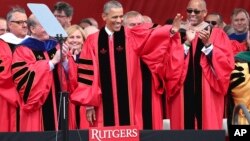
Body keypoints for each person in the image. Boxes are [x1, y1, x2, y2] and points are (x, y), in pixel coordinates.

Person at [70, 0, 184, 129]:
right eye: (115, 17)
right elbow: (87, 73)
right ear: (104, 17)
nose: (119, 20)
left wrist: (172, 30)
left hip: (130, 104)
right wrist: (89, 103)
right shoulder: (93, 41)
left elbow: (152, 36)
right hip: (103, 105)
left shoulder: (132, 36)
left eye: (120, 16)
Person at [167, 0, 234, 130]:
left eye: (196, 11)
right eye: (189, 10)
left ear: (204, 13)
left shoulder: (216, 34)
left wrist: (208, 45)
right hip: (181, 94)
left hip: (208, 95)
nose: (192, 14)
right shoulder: (179, 33)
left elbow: (226, 66)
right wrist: (186, 44)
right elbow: (169, 64)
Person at [11, 14, 73, 131]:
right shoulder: (23, 49)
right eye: (44, 26)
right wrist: (52, 62)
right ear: (32, 29)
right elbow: (23, 80)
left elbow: (72, 76)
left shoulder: (56, 45)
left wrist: (65, 61)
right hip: (39, 108)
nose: (48, 29)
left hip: (61, 104)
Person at [0, 7, 29, 132]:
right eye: (20, 22)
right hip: (8, 98)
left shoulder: (32, 43)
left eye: (26, 22)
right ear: (10, 25)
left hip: (30, 99)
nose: (24, 25)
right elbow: (2, 74)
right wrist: (18, 95)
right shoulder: (2, 44)